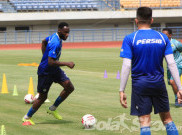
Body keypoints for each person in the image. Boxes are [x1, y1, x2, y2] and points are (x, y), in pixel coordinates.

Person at [119, 7, 182, 135]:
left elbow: (126, 66)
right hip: (158, 84)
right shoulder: (162, 37)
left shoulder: (130, 38)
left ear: (136, 21)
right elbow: (171, 63)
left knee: (144, 121)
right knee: (167, 119)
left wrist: (122, 90)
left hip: (140, 85)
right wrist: (180, 88)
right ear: (152, 20)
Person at [22, 22, 75, 126]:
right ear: (59, 31)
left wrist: (44, 55)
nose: (67, 35)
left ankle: (53, 108)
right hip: (45, 72)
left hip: (54, 69)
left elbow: (43, 41)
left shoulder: (54, 36)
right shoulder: (55, 42)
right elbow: (51, 62)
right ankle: (26, 117)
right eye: (65, 33)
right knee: (42, 97)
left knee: (69, 87)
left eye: (68, 32)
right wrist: (67, 63)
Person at [162, 28, 182, 107]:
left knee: (172, 81)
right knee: (172, 83)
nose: (163, 36)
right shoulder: (161, 44)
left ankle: (178, 99)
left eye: (165, 34)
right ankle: (178, 96)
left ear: (170, 35)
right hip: (169, 67)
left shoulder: (176, 43)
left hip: (178, 64)